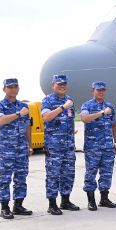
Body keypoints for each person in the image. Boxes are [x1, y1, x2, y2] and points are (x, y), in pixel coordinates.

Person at [0, 78, 33, 219]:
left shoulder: (23, 106)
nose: (13, 89)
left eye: (15, 86)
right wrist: (18, 114)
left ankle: (18, 205)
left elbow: (28, 126)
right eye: (10, 87)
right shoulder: (0, 105)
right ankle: (4, 208)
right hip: (6, 148)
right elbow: (0, 120)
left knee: (21, 177)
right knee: (5, 178)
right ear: (4, 89)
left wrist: (30, 144)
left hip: (22, 147)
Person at [42, 74, 79, 215]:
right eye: (59, 84)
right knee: (53, 174)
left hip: (68, 145)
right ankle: (52, 204)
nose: (62, 86)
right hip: (54, 146)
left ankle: (65, 200)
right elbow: (46, 117)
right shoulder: (48, 100)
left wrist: (72, 141)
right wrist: (62, 107)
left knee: (68, 174)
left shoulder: (70, 100)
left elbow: (71, 121)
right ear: (53, 85)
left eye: (64, 84)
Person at [80, 81, 116, 211]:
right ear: (93, 91)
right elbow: (84, 118)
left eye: (103, 90)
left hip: (108, 146)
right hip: (93, 147)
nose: (101, 92)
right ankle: (91, 201)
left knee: (106, 173)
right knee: (91, 173)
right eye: (98, 90)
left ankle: (104, 198)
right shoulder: (87, 105)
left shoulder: (109, 106)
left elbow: (113, 125)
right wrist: (101, 113)